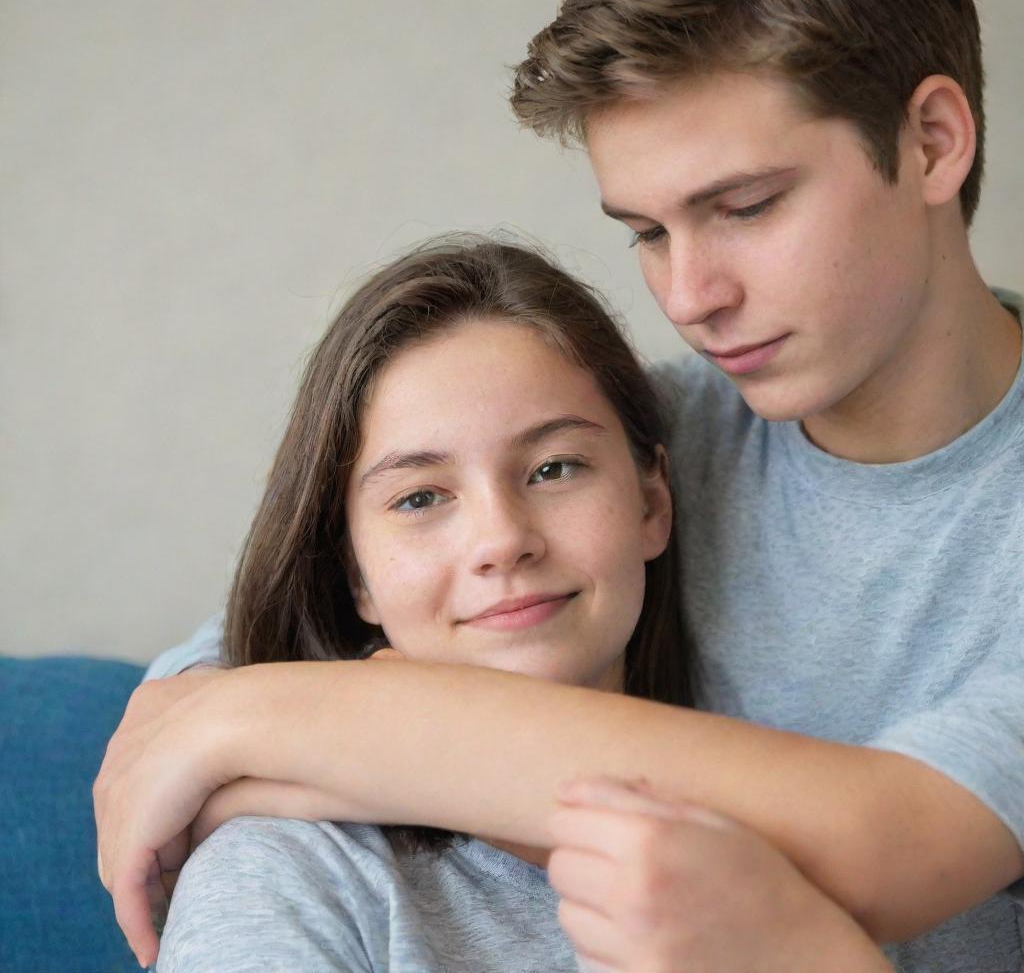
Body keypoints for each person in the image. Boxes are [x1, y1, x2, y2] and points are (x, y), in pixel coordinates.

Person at [95, 0, 1022, 971]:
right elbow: (225, 674)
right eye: (644, 231)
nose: (687, 296)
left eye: (746, 206)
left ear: (932, 141)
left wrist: (277, 725)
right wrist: (250, 713)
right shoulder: (643, 436)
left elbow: (895, 845)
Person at [130, 237, 883, 972]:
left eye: (554, 468)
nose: (502, 541)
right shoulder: (283, 874)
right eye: (420, 497)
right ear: (355, 576)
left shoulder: (815, 827)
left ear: (653, 503)